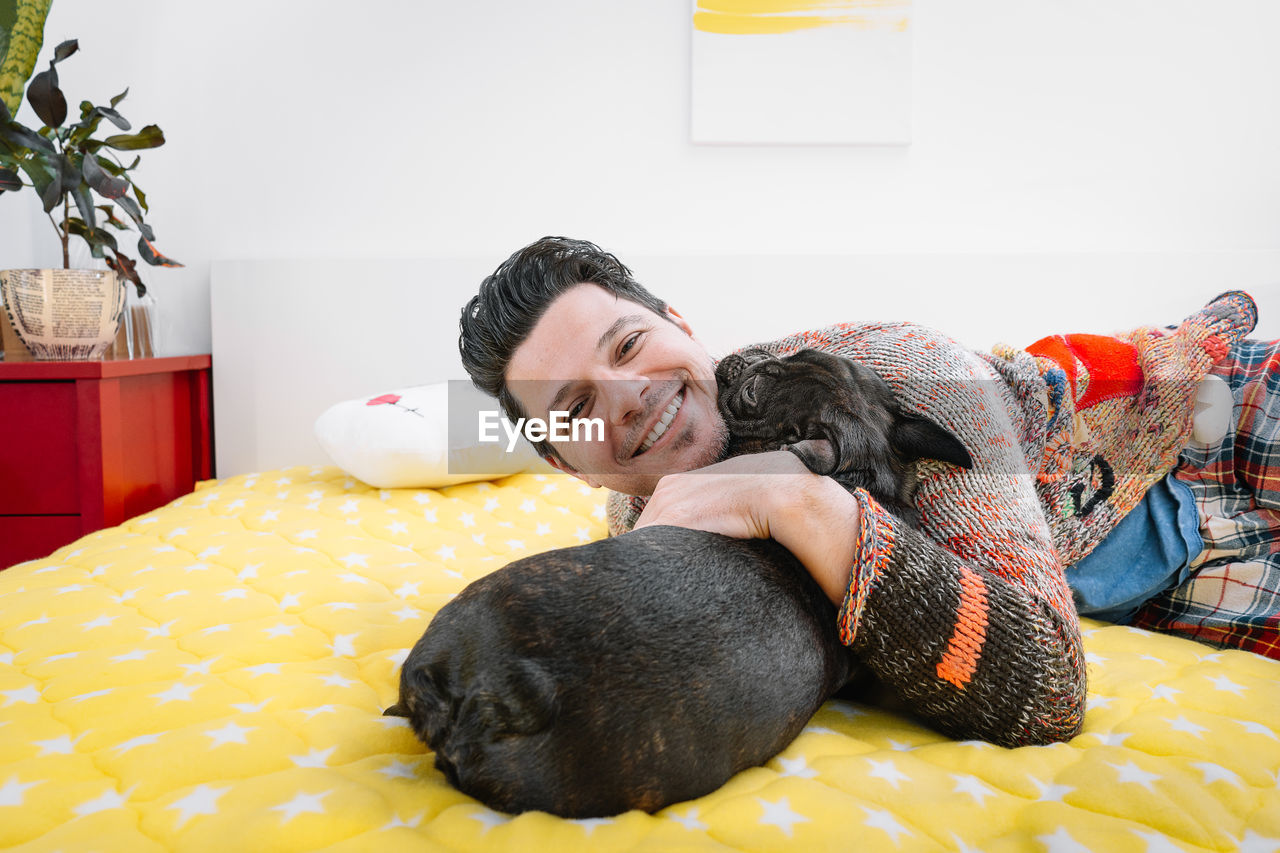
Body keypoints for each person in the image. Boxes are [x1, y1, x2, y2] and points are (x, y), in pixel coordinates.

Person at [458, 236, 1268, 747]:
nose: (626, 394)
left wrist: (799, 501)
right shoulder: (643, 518)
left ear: (681, 322)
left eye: (630, 343)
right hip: (1171, 576)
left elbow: (1051, 693)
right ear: (564, 462)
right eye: (574, 406)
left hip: (1215, 420)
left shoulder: (902, 371)